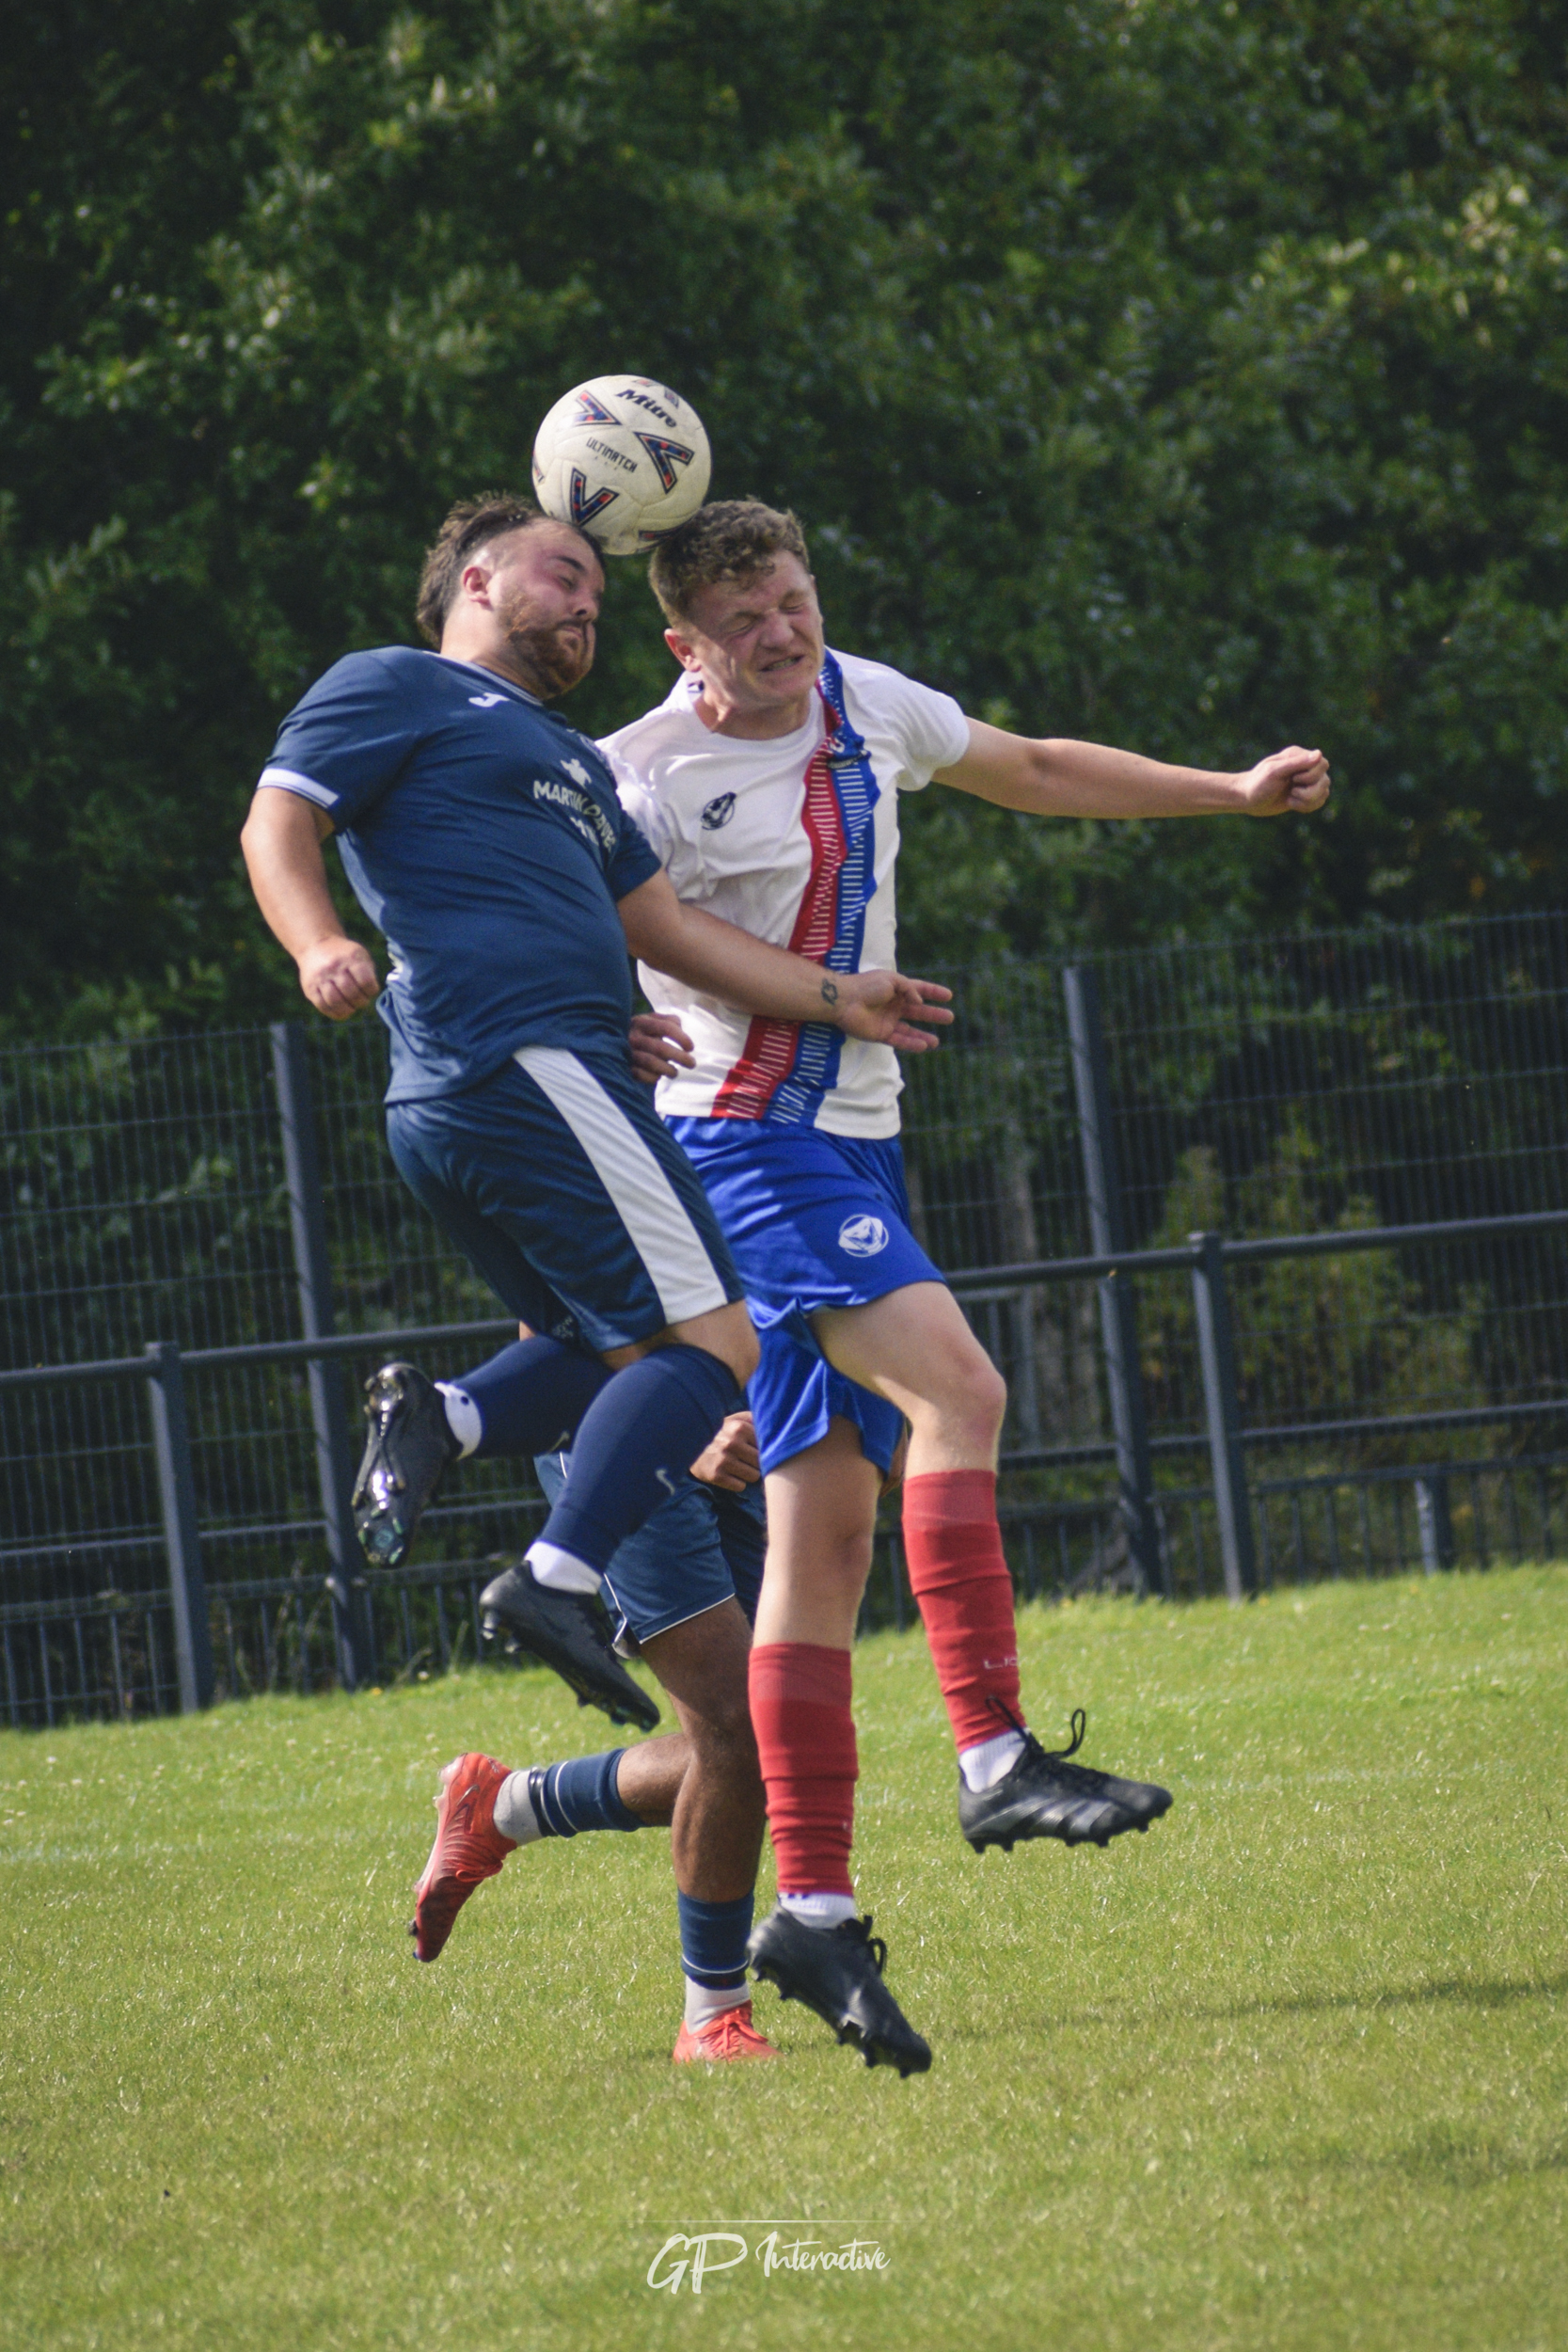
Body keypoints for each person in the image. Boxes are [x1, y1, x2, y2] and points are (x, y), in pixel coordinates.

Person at [595, 497, 1333, 2075]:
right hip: (743, 1140)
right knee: (964, 1390)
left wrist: (1232, 793)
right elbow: (610, 933)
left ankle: (809, 1905)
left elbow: (1038, 768)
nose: (784, 633)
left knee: (823, 1528)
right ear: (687, 648)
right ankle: (993, 1752)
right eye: (747, 623)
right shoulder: (640, 776)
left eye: (793, 600)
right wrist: (714, 1012)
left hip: (853, 1141)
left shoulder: (867, 697)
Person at [238, 494, 950, 2063]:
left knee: (732, 1713)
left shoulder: (576, 772)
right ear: (473, 581)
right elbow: (276, 822)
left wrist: (845, 996)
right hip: (517, 1071)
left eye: (593, 591)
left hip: (561, 1080)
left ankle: (461, 1471)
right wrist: (313, 948)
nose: (582, 600)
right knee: (717, 1351)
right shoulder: (395, 683)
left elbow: (678, 941)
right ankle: (549, 1576)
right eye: (558, 573)